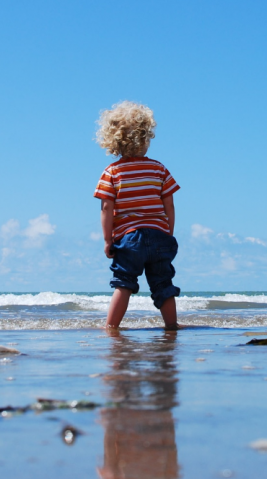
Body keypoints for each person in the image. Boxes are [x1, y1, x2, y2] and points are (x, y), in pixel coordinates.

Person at [93, 101, 181, 330]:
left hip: (129, 239)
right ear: (146, 138)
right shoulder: (159, 169)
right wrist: (168, 231)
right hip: (160, 236)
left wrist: (107, 240)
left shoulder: (112, 172)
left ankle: (111, 328)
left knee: (123, 284)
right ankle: (172, 326)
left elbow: (106, 208)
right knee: (163, 284)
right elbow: (169, 204)